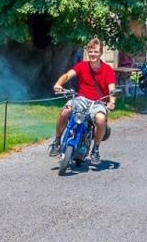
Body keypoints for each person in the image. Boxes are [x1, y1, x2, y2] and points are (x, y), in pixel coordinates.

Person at [50, 37, 117, 166]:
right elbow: (68, 75)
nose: (93, 54)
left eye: (96, 52)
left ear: (101, 53)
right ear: (87, 51)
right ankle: (57, 141)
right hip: (81, 99)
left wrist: (112, 101)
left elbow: (112, 89)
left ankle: (95, 150)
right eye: (91, 51)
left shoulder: (107, 70)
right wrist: (58, 84)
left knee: (101, 120)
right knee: (65, 111)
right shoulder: (82, 66)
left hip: (99, 102)